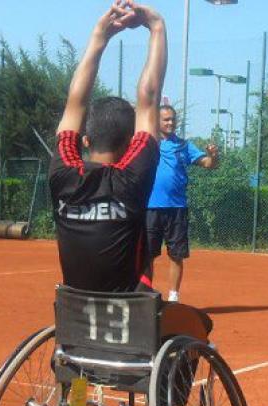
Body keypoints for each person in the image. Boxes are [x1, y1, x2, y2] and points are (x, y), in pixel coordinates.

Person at [49, 1, 209, 340]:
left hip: (76, 330)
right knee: (199, 326)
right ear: (129, 145)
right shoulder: (131, 179)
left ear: (86, 139)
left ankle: (77, 390)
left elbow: (74, 103)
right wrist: (157, 26)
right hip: (131, 328)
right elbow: (149, 97)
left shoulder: (62, 174)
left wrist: (99, 37)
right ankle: (170, 395)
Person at [145, 104, 219, 303]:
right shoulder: (148, 143)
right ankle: (146, 295)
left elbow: (209, 164)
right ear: (157, 121)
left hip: (177, 208)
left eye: (172, 119)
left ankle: (173, 297)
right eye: (166, 119)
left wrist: (213, 155)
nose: (170, 123)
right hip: (150, 208)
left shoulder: (184, 146)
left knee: (176, 255)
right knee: (147, 255)